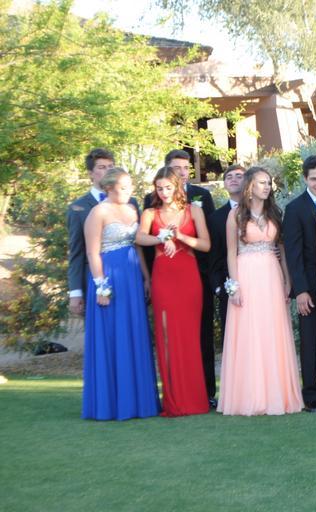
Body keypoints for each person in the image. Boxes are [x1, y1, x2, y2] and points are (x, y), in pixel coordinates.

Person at [217, 167, 304, 416]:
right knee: (249, 331)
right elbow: (231, 254)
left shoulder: (274, 212)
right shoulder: (235, 215)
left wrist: (287, 280)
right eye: (262, 183)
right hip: (246, 274)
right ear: (250, 186)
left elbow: (282, 249)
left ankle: (277, 394)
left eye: (269, 183)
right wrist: (234, 286)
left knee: (272, 330)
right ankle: (249, 396)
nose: (267, 187)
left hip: (271, 274)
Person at [81, 168, 159, 420]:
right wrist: (101, 285)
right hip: (110, 277)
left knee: (134, 332)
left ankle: (139, 400)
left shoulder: (132, 209)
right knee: (114, 335)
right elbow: (92, 252)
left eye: (130, 186)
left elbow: (137, 246)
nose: (128, 191)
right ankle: (112, 403)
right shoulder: (98, 212)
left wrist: (146, 277)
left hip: (132, 276)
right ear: (109, 188)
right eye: (123, 187)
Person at [143, 149, 217, 407]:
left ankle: (199, 396)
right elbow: (139, 239)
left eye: (168, 187)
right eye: (160, 188)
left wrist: (181, 237)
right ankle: (173, 397)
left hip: (191, 275)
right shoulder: (150, 211)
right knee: (166, 335)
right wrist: (160, 238)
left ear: (177, 185)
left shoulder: (196, 207)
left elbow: (207, 244)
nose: (164, 192)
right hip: (162, 276)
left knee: (193, 336)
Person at [283, 155, 316, 412]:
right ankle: (312, 397)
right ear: (305, 178)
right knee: (310, 342)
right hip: (309, 285)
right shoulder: (294, 209)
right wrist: (300, 290)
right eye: (313, 179)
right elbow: (293, 254)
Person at [68, 148, 117, 317]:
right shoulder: (78, 207)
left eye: (111, 166)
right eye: (102, 167)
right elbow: (76, 252)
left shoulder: (130, 202)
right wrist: (75, 292)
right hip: (94, 280)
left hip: (125, 275)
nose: (108, 171)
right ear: (90, 174)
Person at [209, 164, 246, 341]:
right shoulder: (215, 218)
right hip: (229, 286)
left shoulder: (260, 211)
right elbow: (213, 257)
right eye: (229, 177)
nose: (233, 179)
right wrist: (219, 288)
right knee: (233, 337)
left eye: (239, 176)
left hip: (259, 281)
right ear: (224, 184)